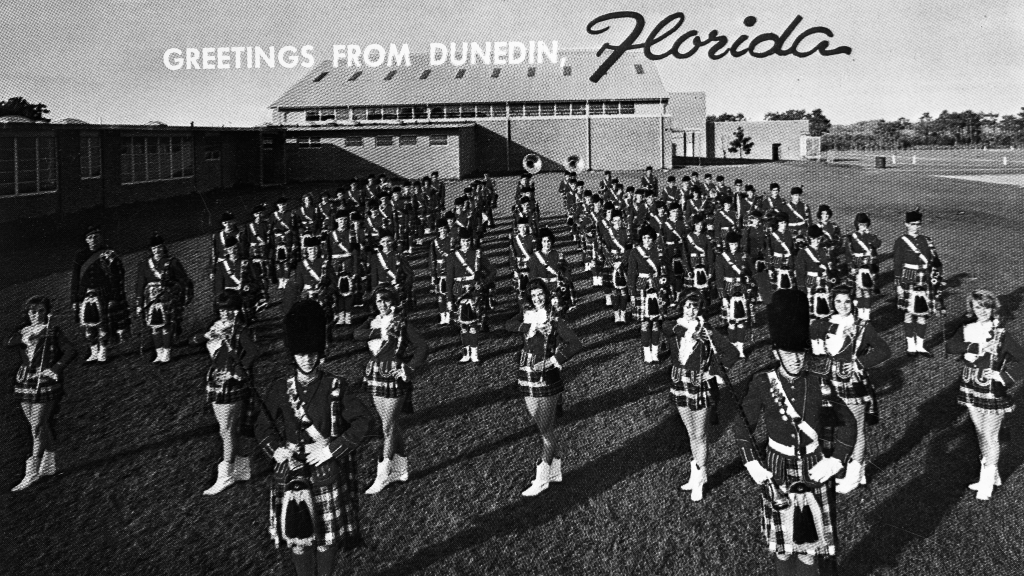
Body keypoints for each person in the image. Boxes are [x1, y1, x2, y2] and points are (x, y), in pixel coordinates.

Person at [736, 290, 856, 575]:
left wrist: (836, 460)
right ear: (776, 353)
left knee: (810, 548)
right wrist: (752, 461)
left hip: (815, 465)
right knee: (782, 544)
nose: (796, 360)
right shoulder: (762, 383)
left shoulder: (818, 383)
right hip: (777, 465)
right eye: (789, 354)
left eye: (800, 353)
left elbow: (848, 423)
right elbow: (743, 426)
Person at [256, 300, 373, 576]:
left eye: (312, 353)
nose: (307, 359)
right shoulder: (278, 389)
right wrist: (276, 451)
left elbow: (363, 421)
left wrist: (331, 449)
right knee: (299, 539)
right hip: (292, 473)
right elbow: (263, 427)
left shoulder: (336, 385)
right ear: (292, 355)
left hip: (325, 471)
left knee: (326, 539)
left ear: (320, 353)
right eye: (300, 354)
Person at [504, 279, 583, 496]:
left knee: (545, 429)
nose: (537, 298)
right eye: (534, 295)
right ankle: (555, 471)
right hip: (526, 373)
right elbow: (507, 325)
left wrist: (552, 361)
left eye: (541, 294)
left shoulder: (555, 319)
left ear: (546, 295)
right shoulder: (526, 313)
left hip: (547, 376)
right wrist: (529, 326)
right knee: (541, 426)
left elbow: (576, 343)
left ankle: (542, 478)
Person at [809, 286, 891, 494]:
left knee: (856, 427)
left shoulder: (863, 326)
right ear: (832, 303)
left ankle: (853, 476)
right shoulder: (822, 324)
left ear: (853, 302)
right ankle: (857, 470)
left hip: (852, 382)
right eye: (838, 302)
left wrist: (860, 363)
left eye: (847, 301)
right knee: (837, 426)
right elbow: (810, 346)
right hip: (829, 381)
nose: (842, 306)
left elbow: (884, 350)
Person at [946, 290, 1024, 500]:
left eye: (986, 307)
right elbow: (951, 346)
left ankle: (987, 485)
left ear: (993, 309)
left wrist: (1002, 375)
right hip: (970, 387)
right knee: (980, 433)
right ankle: (991, 475)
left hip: (992, 390)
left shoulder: (1001, 334)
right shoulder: (966, 329)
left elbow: (1022, 359)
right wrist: (975, 345)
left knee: (990, 436)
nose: (982, 311)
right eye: (978, 307)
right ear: (971, 308)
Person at [662, 290, 738, 501]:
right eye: (687, 306)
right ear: (681, 307)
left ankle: (700, 477)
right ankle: (695, 475)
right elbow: (666, 327)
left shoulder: (708, 331)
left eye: (695, 307)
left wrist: (713, 372)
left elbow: (731, 352)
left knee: (700, 435)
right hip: (679, 383)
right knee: (690, 433)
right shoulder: (674, 327)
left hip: (698, 386)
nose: (690, 310)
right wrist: (690, 333)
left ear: (700, 309)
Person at [353, 286, 428, 494]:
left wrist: (409, 368)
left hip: (394, 376)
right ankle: (402, 469)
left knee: (387, 427)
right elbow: (356, 334)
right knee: (391, 424)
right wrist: (378, 330)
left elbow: (422, 346)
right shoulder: (373, 320)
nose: (382, 305)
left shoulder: (402, 323)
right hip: (375, 375)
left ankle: (382, 475)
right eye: (378, 301)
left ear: (393, 302)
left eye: (385, 301)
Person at [191, 292, 260, 495]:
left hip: (230, 384)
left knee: (227, 430)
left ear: (237, 310)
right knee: (227, 429)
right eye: (222, 309)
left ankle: (226, 474)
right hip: (215, 380)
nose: (226, 313)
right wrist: (205, 336)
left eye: (230, 309)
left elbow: (254, 352)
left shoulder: (239, 331)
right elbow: (192, 341)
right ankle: (241, 469)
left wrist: (238, 372)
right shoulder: (216, 327)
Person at [6, 296, 77, 491]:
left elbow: (71, 350)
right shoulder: (23, 331)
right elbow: (8, 342)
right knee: (38, 425)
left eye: (40, 311)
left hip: (45, 382)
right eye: (32, 311)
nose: (36, 315)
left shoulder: (53, 331)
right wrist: (24, 337)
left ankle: (32, 471)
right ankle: (50, 462)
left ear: (47, 313)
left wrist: (55, 368)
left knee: (37, 425)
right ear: (27, 313)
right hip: (25, 382)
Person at [71, 225, 131, 364]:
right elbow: (75, 278)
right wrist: (75, 299)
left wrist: (114, 297)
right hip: (85, 295)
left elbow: (117, 278)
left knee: (102, 325)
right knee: (88, 325)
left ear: (101, 238)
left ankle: (103, 350)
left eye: (96, 236)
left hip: (103, 293)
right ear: (86, 240)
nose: (93, 240)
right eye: (90, 237)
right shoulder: (80, 256)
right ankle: (93, 351)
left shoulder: (109, 254)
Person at [136, 233, 194, 363]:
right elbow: (140, 284)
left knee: (167, 325)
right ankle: (159, 353)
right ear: (151, 250)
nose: (157, 250)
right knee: (155, 326)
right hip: (150, 298)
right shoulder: (144, 264)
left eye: (159, 247)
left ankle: (167, 352)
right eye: (154, 248)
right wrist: (139, 303)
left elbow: (183, 279)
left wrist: (182, 293)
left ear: (163, 247)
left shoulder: (172, 262)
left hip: (167, 297)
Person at [446, 228, 496, 363]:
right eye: (463, 241)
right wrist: (449, 299)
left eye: (468, 240)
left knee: (473, 325)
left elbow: (492, 271)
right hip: (458, 292)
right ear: (459, 241)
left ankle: (475, 353)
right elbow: (449, 279)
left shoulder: (478, 254)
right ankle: (465, 353)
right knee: (462, 325)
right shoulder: (452, 256)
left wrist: (484, 283)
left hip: (474, 291)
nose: (466, 243)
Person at [893, 208, 938, 356]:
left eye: (918, 224)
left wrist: (936, 278)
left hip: (924, 276)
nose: (916, 227)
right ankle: (910, 345)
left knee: (922, 313)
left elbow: (934, 261)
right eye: (912, 224)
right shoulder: (901, 241)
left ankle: (920, 345)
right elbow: (897, 263)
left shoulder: (927, 240)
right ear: (906, 224)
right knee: (908, 312)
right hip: (909, 275)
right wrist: (898, 284)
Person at [627, 226, 668, 364]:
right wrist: (632, 294)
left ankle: (655, 353)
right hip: (642, 288)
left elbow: (664, 270)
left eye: (649, 238)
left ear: (653, 239)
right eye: (644, 238)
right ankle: (647, 353)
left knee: (656, 322)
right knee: (645, 323)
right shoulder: (635, 252)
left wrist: (665, 286)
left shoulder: (660, 251)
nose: (646, 241)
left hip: (656, 287)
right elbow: (632, 273)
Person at [716, 231, 754, 357]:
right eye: (732, 244)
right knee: (732, 321)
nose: (734, 246)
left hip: (742, 289)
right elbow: (719, 278)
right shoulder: (722, 257)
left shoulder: (744, 256)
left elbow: (751, 272)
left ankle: (741, 348)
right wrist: (723, 298)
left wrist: (749, 282)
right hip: (728, 289)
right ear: (728, 244)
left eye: (736, 243)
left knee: (741, 321)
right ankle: (733, 346)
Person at [845, 213, 881, 321]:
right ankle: (860, 313)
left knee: (867, 290)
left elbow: (878, 244)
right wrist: (851, 266)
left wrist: (870, 235)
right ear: (857, 225)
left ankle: (867, 314)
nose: (863, 226)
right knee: (858, 291)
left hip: (868, 265)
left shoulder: (870, 236)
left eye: (865, 224)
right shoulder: (852, 237)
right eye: (861, 224)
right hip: (857, 264)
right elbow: (848, 254)